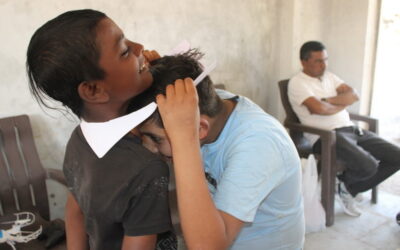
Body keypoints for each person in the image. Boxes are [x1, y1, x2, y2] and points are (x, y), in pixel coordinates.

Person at [26, 9, 175, 250]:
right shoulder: (146, 168)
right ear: (93, 91)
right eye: (125, 51)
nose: (140, 48)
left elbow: (75, 211)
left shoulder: (78, 141)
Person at [130, 50, 305, 250]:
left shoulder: (258, 145)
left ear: (200, 129)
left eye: (155, 139)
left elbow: (208, 247)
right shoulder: (204, 104)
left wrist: (184, 139)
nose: (150, 148)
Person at [288, 41, 400, 217]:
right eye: (318, 61)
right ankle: (347, 187)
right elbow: (320, 110)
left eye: (325, 60)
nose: (324, 65)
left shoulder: (330, 77)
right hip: (326, 137)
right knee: (368, 165)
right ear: (303, 62)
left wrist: (328, 100)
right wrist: (339, 101)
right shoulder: (297, 83)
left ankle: (346, 186)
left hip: (352, 130)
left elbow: (354, 95)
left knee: (397, 156)